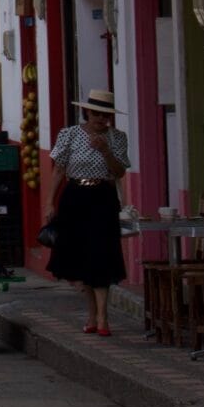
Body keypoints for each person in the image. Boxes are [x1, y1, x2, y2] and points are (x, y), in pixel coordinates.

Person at [46, 86, 130, 336]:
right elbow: (59, 170)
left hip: (102, 198)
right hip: (75, 197)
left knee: (101, 255)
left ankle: (103, 318)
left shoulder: (117, 138)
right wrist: (49, 201)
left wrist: (105, 151)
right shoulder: (69, 135)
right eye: (97, 115)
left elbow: (119, 172)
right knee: (80, 258)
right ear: (87, 113)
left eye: (106, 117)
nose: (101, 121)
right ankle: (92, 314)